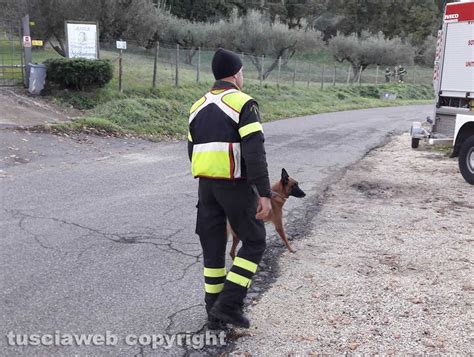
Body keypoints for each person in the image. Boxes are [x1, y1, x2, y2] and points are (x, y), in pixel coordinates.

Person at [187, 48, 272, 329]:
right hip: (235, 185)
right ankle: (230, 304)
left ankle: (214, 313)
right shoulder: (243, 103)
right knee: (255, 241)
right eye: (242, 72)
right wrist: (264, 193)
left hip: (206, 187)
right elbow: (254, 152)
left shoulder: (197, 105)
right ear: (236, 74)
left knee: (213, 248)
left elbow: (192, 149)